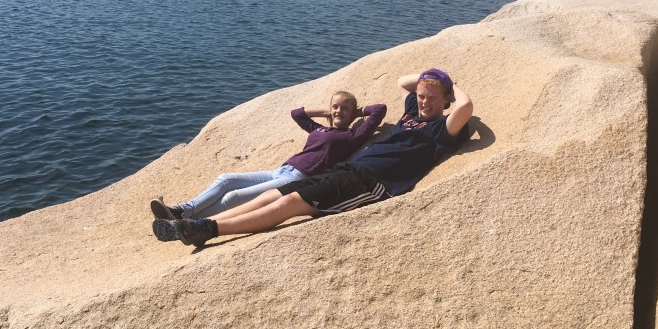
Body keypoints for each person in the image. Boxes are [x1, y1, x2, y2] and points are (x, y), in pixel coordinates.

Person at [153, 68, 472, 247]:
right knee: (273, 194)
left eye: (432, 98)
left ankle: (208, 230)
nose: (424, 101)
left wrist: (451, 85)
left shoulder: (442, 129)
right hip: (350, 168)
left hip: (373, 182)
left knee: (291, 204)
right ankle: (192, 224)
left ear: (445, 100)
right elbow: (404, 82)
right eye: (422, 96)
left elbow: (465, 107)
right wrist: (431, 78)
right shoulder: (412, 112)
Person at [150, 91, 387, 221]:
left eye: (344, 108)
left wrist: (358, 111)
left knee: (235, 197)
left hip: (297, 178)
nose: (338, 111)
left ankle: (187, 220)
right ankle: (183, 210)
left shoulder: (352, 135)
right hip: (281, 170)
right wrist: (327, 111)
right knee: (226, 179)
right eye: (335, 106)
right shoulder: (319, 130)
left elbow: (379, 110)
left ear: (352, 113)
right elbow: (297, 114)